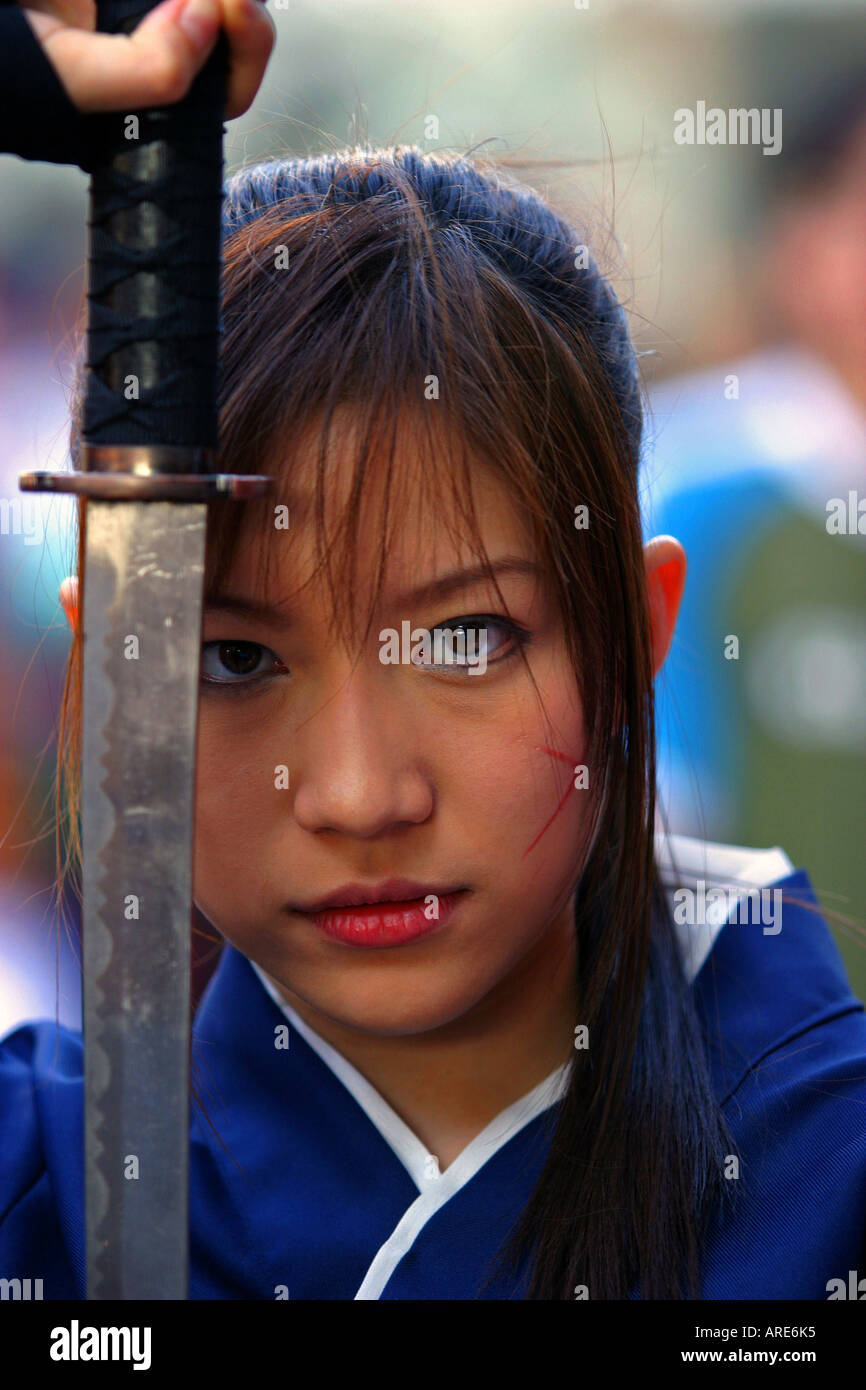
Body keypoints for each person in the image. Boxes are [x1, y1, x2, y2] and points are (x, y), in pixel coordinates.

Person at [1, 13, 865, 1301]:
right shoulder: (43, 1194)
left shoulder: (832, 1173)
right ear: (107, 672)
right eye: (233, 660)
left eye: (465, 637)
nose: (356, 794)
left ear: (638, 630)